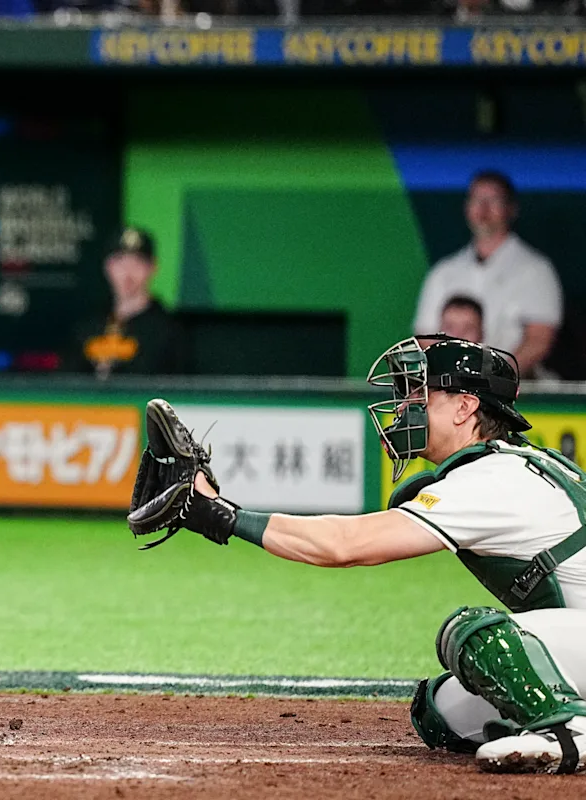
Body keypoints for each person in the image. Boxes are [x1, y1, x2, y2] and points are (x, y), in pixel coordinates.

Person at [128, 335, 586, 774]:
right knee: (442, 710)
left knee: (474, 635)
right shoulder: (511, 465)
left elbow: (345, 545)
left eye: (421, 396)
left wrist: (220, 516)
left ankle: (570, 734)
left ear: (465, 407)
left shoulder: (491, 479)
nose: (406, 407)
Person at [412, 170, 561, 378]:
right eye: (477, 200)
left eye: (493, 200)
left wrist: (496, 380)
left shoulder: (536, 270)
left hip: (517, 393)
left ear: (511, 208)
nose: (483, 209)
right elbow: (424, 337)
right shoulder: (443, 272)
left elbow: (539, 340)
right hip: (453, 391)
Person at [65, 227, 189, 378]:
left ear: (152, 268)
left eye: (137, 263)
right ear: (107, 267)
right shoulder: (88, 326)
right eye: (120, 262)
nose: (128, 272)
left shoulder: (168, 330)